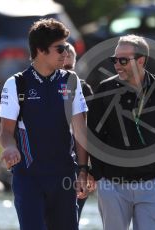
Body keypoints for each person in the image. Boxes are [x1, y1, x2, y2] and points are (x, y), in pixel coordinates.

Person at [0, 18, 88, 230]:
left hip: (64, 177)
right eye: (60, 48)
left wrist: (83, 170)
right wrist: (9, 147)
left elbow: (80, 130)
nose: (66, 52)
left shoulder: (71, 81)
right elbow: (5, 131)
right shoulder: (16, 83)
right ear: (40, 50)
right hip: (29, 178)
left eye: (67, 47)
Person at [87, 34, 155, 230]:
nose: (117, 65)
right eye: (114, 60)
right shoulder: (105, 90)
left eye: (123, 60)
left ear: (141, 60)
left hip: (152, 184)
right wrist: (99, 176)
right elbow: (94, 135)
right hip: (112, 185)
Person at [64, 42, 93, 221]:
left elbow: (90, 132)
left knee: (72, 219)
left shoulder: (82, 89)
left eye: (70, 67)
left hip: (76, 165)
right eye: (61, 67)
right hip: (44, 165)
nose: (66, 72)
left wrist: (89, 170)